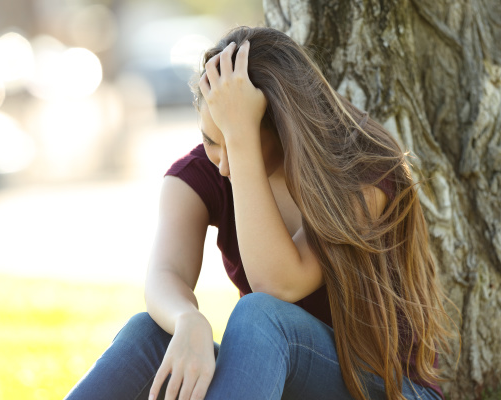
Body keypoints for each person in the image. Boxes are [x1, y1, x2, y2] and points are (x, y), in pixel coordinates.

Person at [64, 26, 456, 400]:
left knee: (259, 315)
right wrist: (188, 320)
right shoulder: (199, 176)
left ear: (287, 131)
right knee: (148, 333)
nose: (221, 163)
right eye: (209, 139)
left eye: (236, 139)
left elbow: (278, 286)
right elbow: (165, 276)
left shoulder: (365, 170)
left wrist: (241, 139)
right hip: (281, 383)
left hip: (388, 388)